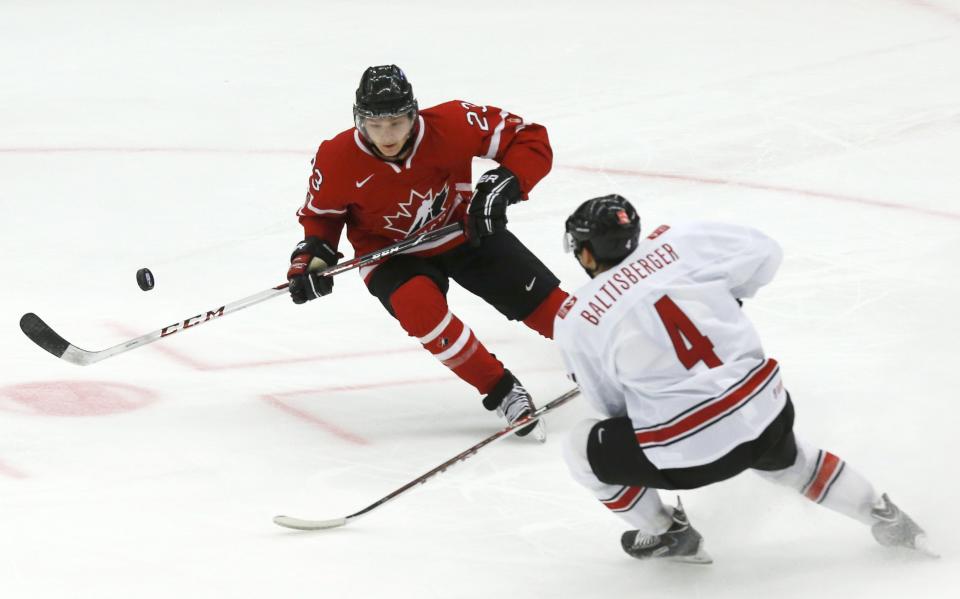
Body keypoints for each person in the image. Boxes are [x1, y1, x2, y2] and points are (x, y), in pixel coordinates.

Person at [554, 194, 933, 563]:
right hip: (767, 413)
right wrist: (730, 297)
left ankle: (668, 531)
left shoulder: (577, 318)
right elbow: (766, 251)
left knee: (579, 448)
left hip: (685, 456)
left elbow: (610, 407)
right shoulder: (677, 243)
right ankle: (887, 518)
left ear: (588, 252)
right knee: (790, 460)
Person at [286, 65, 570, 439]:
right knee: (420, 309)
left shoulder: (454, 122)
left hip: (464, 231)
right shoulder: (335, 157)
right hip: (390, 255)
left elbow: (530, 138)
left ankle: (609, 350)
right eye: (375, 125)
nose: (387, 135)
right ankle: (501, 389)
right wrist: (313, 257)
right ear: (358, 120)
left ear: (414, 113)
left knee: (549, 308)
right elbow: (321, 218)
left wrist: (506, 182)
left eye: (398, 122)